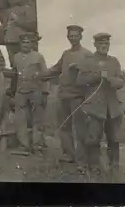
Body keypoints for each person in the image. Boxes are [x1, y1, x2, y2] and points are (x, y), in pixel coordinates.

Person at [37, 25, 93, 172]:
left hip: (78, 97)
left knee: (80, 129)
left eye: (75, 35)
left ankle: (82, 161)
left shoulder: (87, 55)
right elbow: (55, 69)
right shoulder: (65, 54)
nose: (72, 38)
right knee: (63, 127)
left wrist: (81, 68)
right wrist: (39, 75)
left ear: (81, 36)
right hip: (63, 96)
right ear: (67, 36)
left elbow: (93, 74)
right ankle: (69, 154)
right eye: (70, 35)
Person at [75, 32, 124, 181]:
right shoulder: (88, 61)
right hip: (94, 108)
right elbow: (80, 81)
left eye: (106, 44)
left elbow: (121, 81)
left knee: (114, 139)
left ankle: (114, 166)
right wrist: (97, 77)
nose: (104, 47)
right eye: (101, 44)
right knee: (93, 139)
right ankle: (94, 168)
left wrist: (111, 80)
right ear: (95, 45)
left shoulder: (114, 61)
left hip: (113, 108)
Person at [11, 33, 48, 155]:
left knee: (37, 119)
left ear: (32, 44)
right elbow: (15, 75)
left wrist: (45, 92)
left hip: (35, 91)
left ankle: (37, 146)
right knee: (20, 119)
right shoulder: (16, 57)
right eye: (23, 43)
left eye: (28, 43)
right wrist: (12, 91)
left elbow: (45, 75)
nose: (25, 45)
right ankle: (24, 145)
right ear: (20, 44)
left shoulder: (38, 57)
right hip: (21, 91)